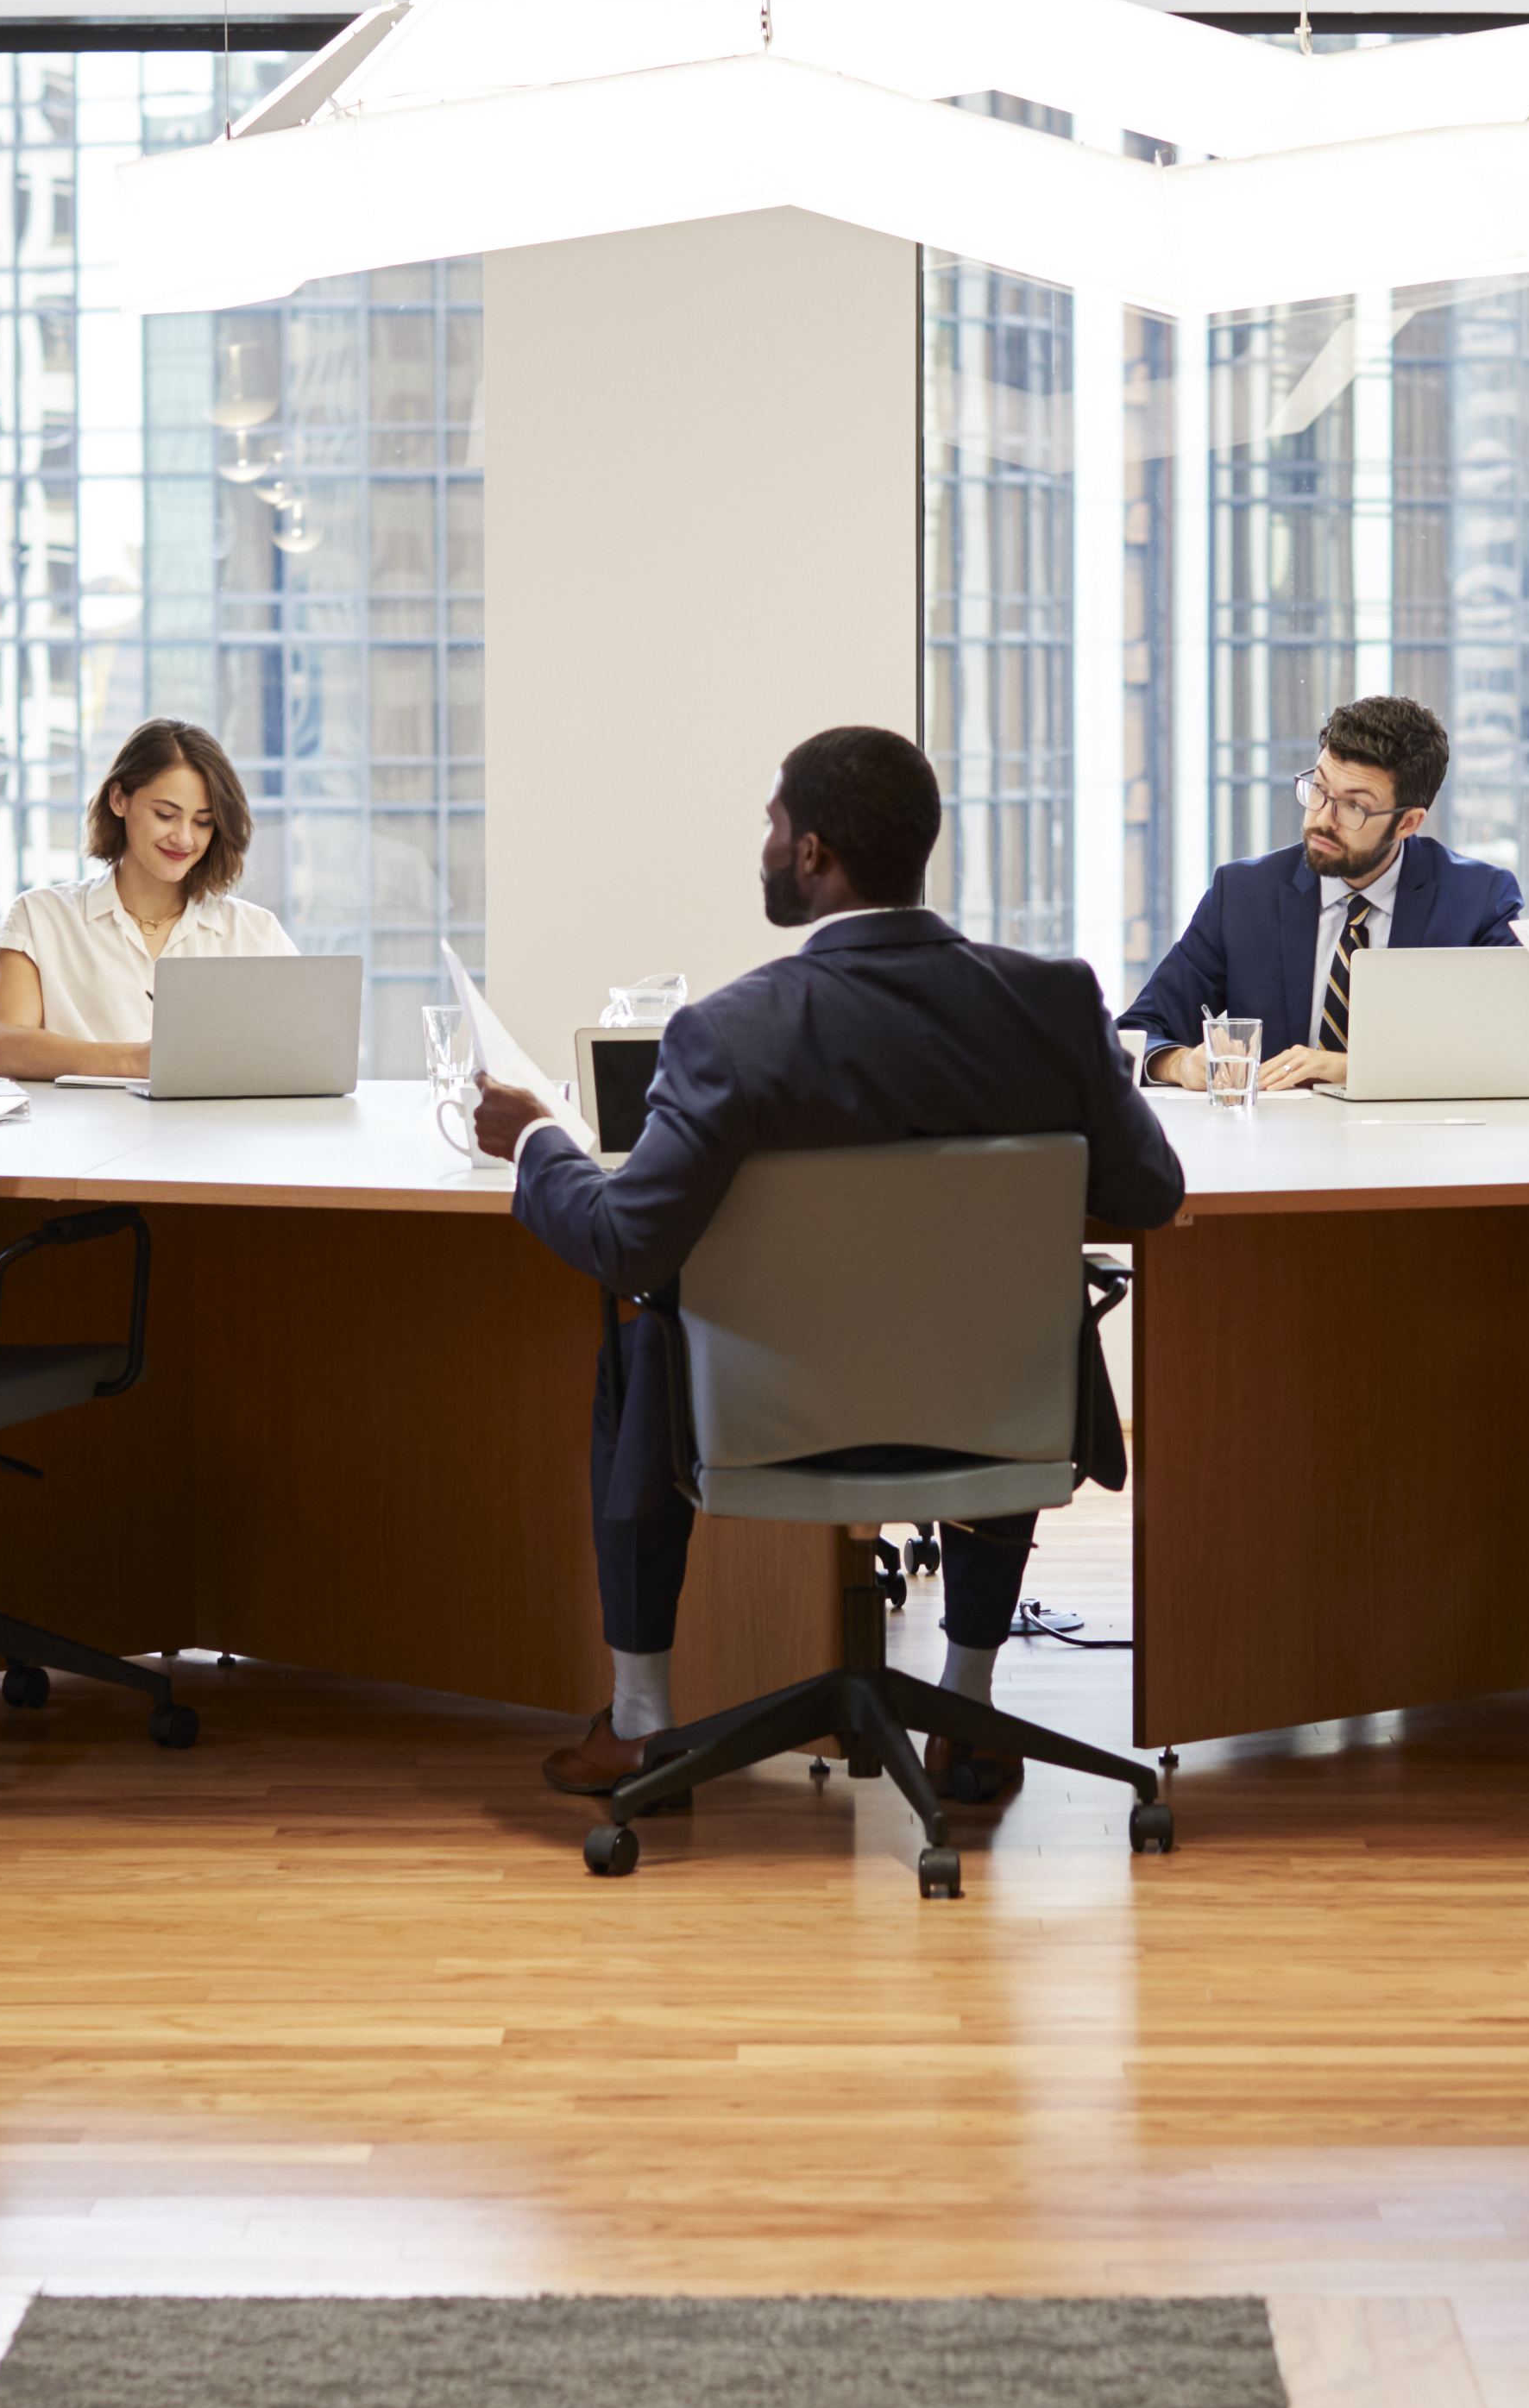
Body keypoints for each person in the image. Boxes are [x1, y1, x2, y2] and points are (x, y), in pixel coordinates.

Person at [470, 726, 1190, 1803]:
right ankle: (970, 1708)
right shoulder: (1049, 1004)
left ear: (812, 853)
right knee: (1006, 1321)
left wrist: (537, 1141)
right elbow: (1152, 1194)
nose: (764, 843)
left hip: (765, 1425)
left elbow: (627, 1240)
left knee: (637, 1326)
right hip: (998, 1416)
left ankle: (639, 1721)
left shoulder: (729, 1033)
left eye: (772, 822)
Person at [1117, 694, 1524, 1091]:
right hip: (1274, 1148)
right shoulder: (1243, 894)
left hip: (1415, 1148)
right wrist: (1182, 1064)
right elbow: (1139, 1032)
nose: (1322, 819)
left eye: (1354, 807)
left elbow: (1512, 1046)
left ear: (1408, 823)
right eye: (1319, 788)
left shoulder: (1478, 901)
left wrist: (1350, 1067)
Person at [0, 717, 296, 1082]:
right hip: (80, 1137)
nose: (183, 838)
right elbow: (5, 1048)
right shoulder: (40, 917)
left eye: (203, 822)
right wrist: (137, 1062)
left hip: (215, 1136)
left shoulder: (254, 932)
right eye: (166, 815)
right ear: (119, 799)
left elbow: (302, 1049)